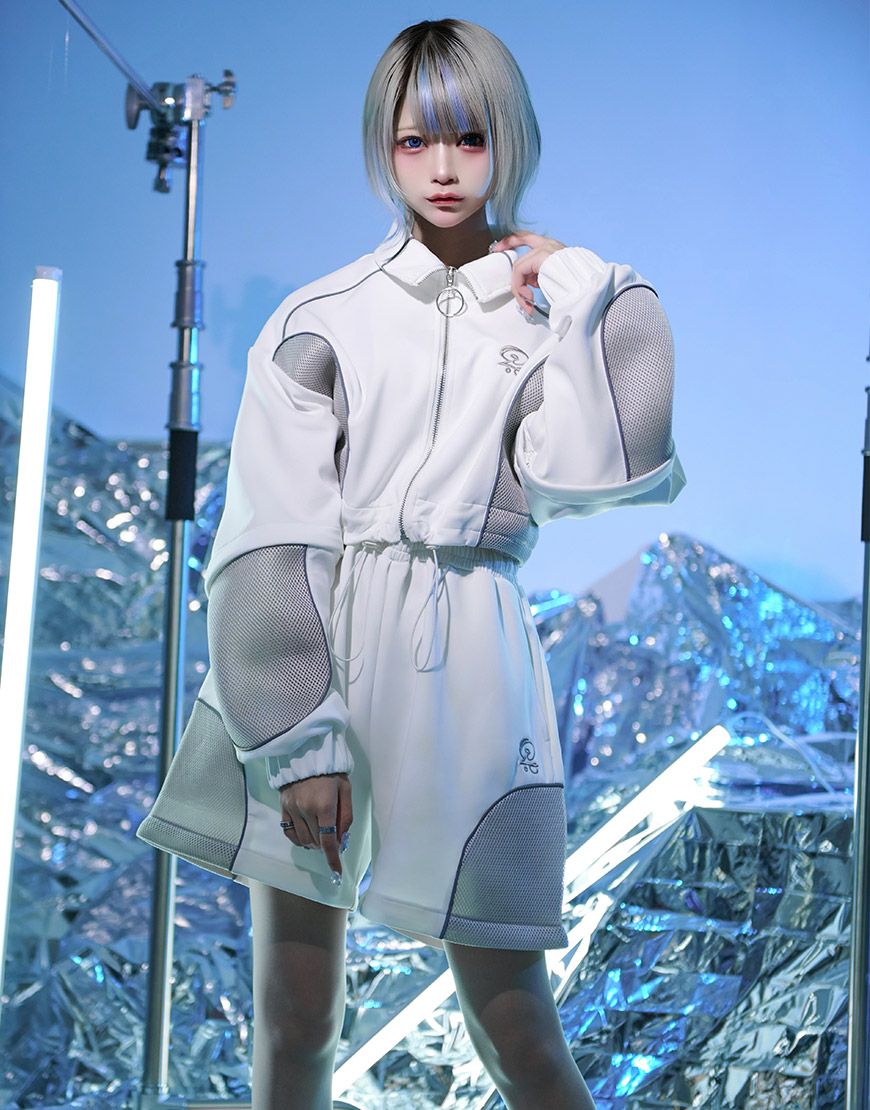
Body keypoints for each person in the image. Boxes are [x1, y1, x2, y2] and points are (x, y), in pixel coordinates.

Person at [137, 16, 686, 1110]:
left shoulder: (544, 316)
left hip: (472, 660)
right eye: (413, 140)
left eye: (469, 138)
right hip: (326, 645)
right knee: (296, 1014)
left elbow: (606, 467)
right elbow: (270, 531)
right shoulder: (321, 319)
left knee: (514, 1020)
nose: (442, 167)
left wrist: (581, 282)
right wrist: (299, 735)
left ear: (508, 140)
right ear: (381, 146)